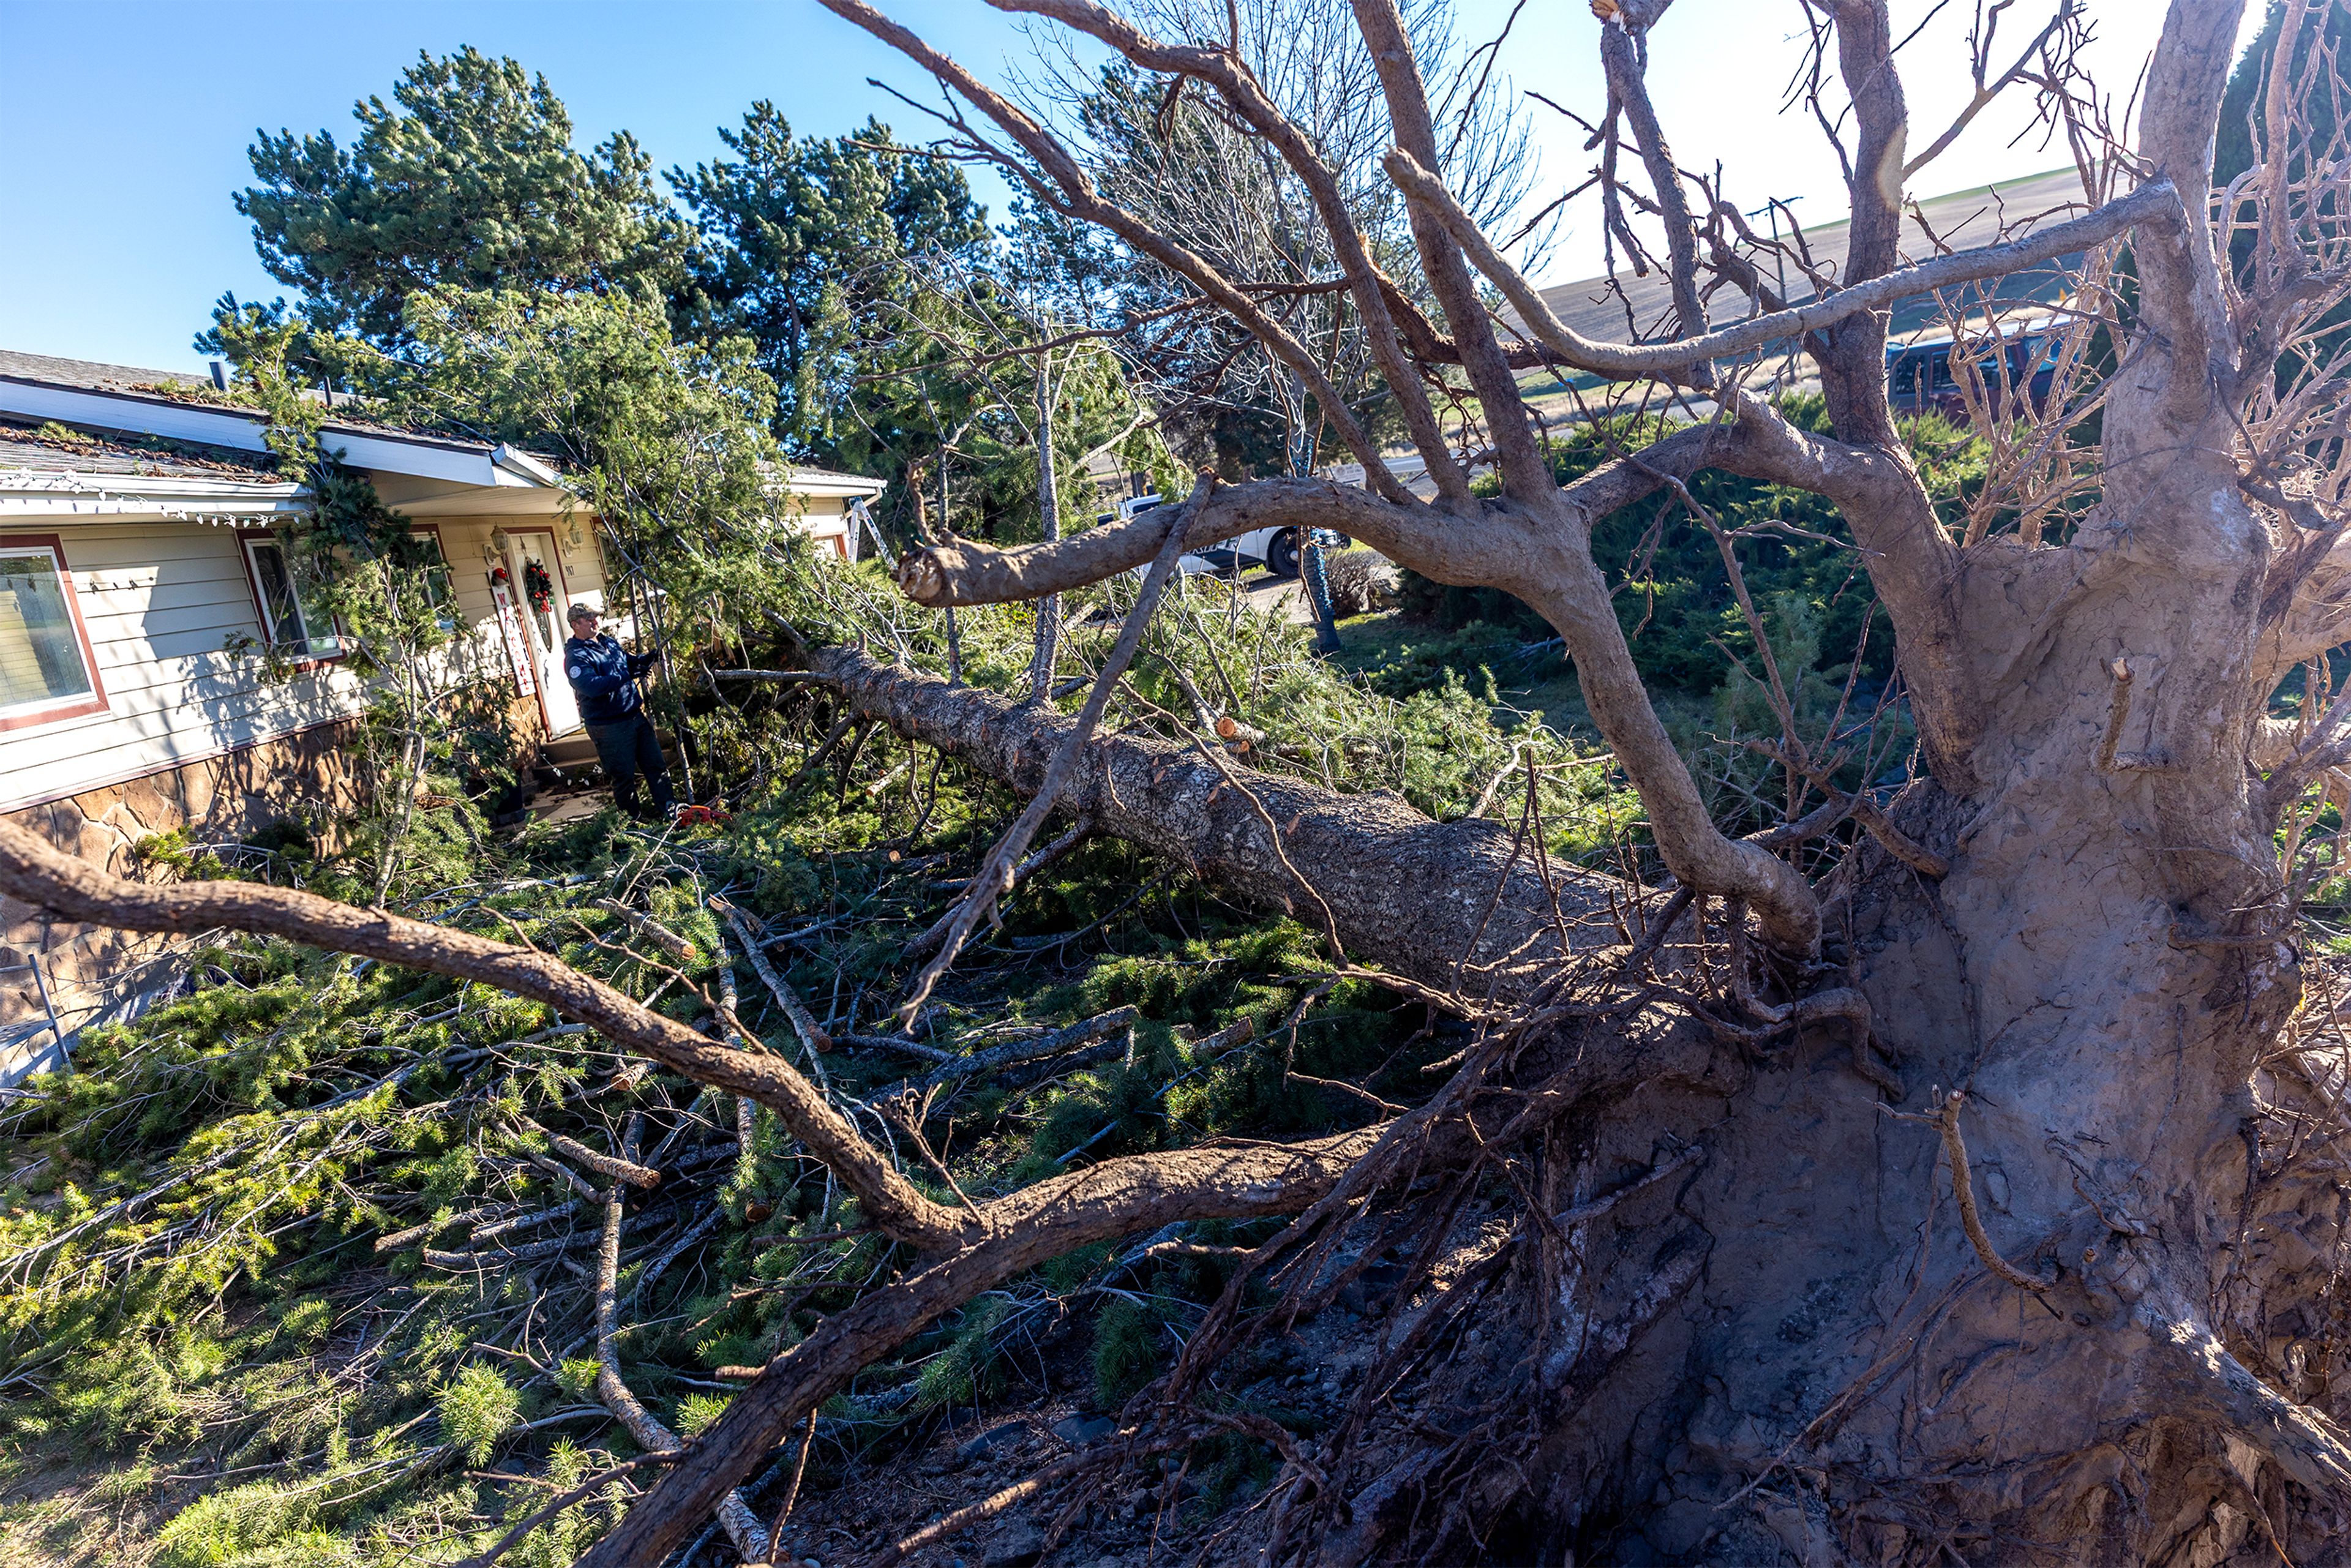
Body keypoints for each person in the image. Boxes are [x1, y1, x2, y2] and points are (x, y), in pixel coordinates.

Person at [562, 602, 677, 821]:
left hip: (634, 716)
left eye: (596, 617)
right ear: (575, 624)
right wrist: (626, 676)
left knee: (656, 765)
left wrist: (647, 659)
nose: (595, 621)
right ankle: (631, 825)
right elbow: (592, 687)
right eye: (589, 618)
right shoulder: (576, 657)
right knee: (623, 776)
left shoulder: (608, 642)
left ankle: (670, 813)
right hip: (608, 726)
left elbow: (628, 664)